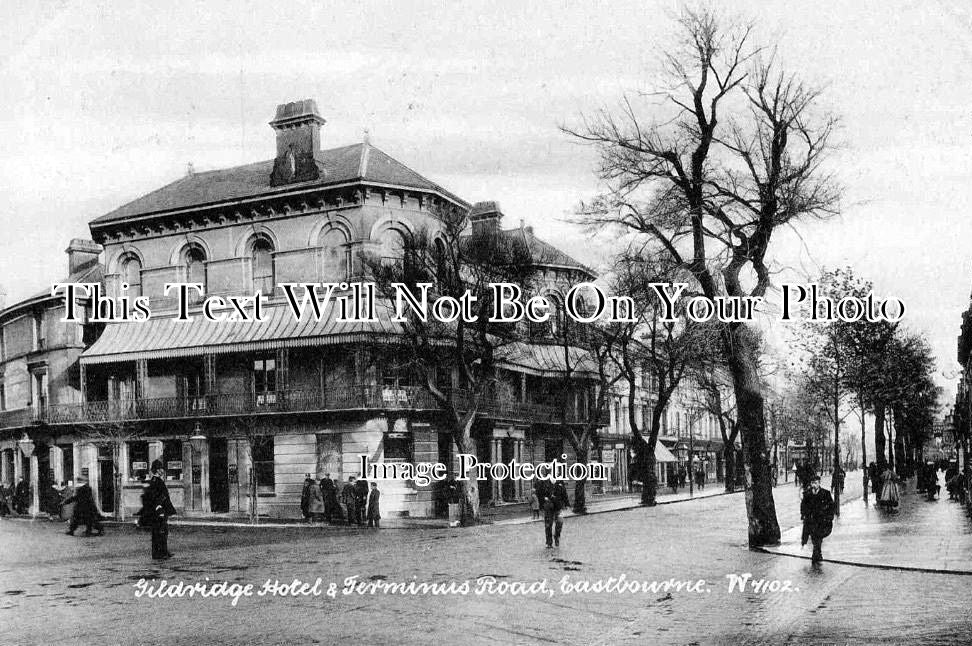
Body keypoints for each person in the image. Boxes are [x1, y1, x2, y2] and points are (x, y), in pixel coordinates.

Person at [141, 460, 177, 559]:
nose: (163, 471)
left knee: (162, 531)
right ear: (158, 470)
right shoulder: (156, 481)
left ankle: (163, 551)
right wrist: (159, 509)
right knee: (160, 531)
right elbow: (156, 497)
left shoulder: (156, 480)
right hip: (160, 511)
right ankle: (159, 553)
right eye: (161, 469)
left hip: (161, 510)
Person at [800, 474, 835, 563]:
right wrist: (804, 515)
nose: (814, 485)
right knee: (814, 537)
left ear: (819, 483)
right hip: (811, 520)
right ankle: (817, 554)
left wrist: (829, 517)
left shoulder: (825, 493)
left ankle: (816, 554)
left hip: (821, 520)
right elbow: (803, 505)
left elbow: (831, 506)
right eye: (812, 483)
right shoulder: (807, 494)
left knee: (818, 537)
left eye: (815, 483)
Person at [543, 480, 570, 548]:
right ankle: (549, 542)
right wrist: (544, 499)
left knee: (560, 523)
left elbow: (564, 494)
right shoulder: (545, 482)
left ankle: (557, 537)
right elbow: (540, 493)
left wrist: (567, 504)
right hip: (549, 508)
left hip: (559, 507)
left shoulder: (560, 483)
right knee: (548, 525)